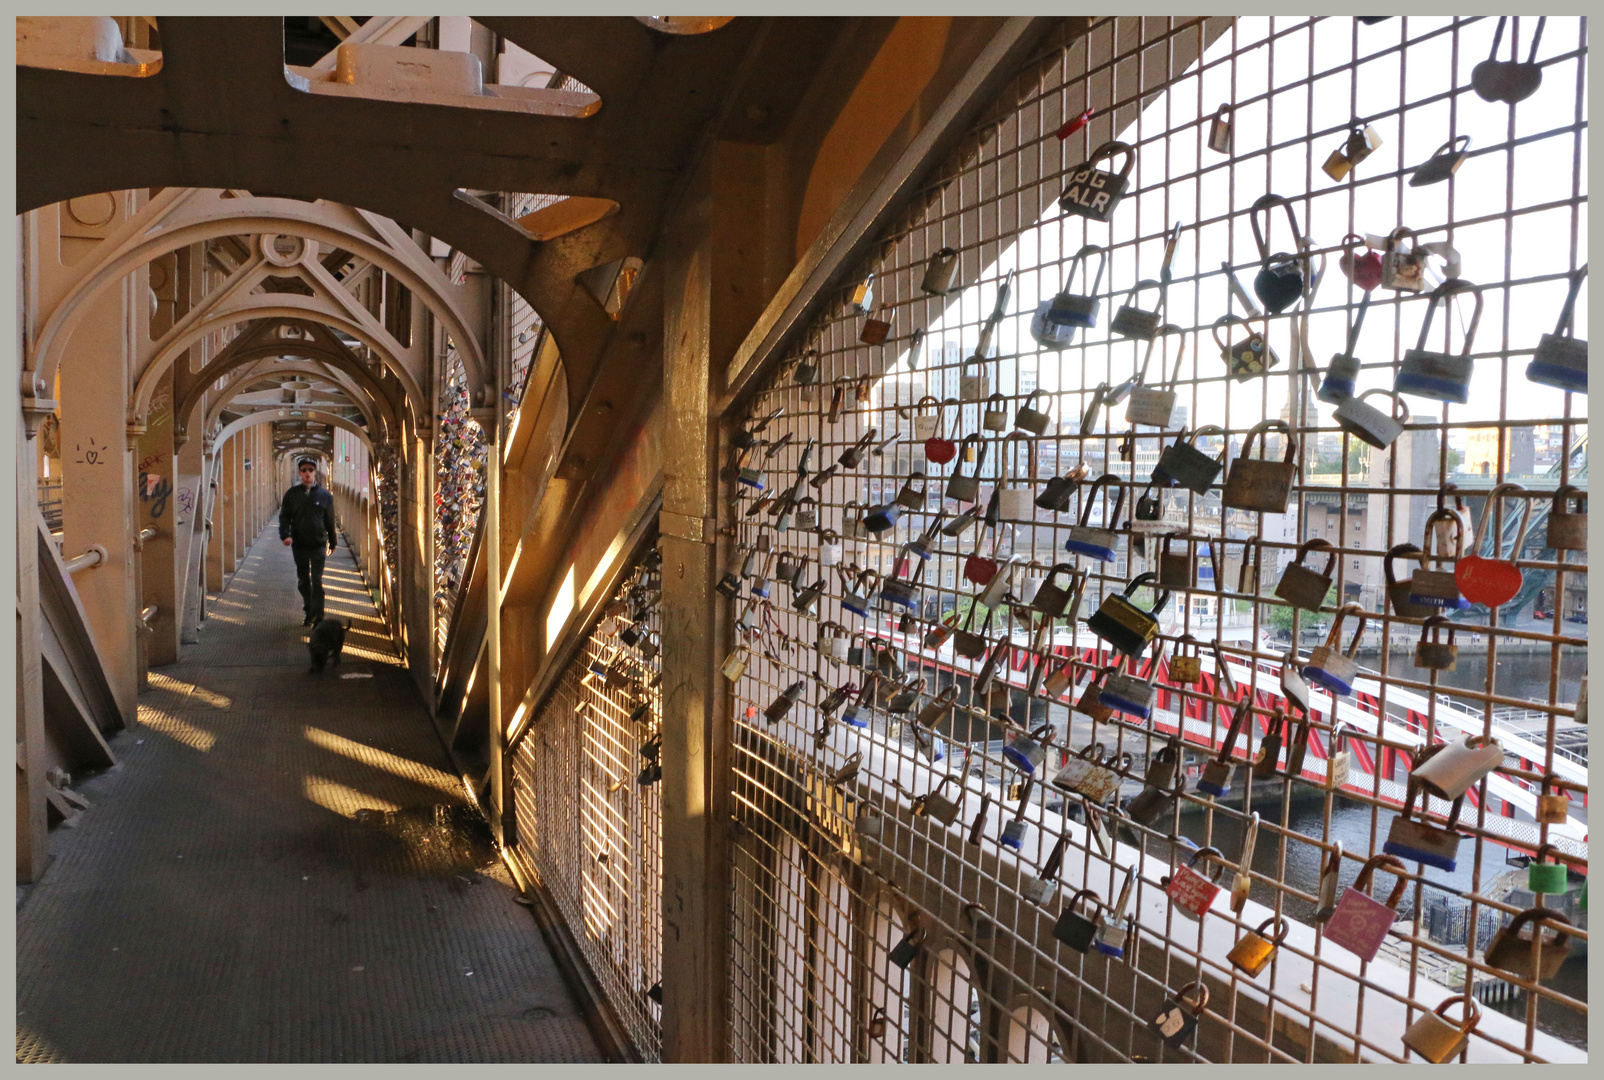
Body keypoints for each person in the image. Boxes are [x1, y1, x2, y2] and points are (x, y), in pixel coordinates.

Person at [280, 459, 338, 626]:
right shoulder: (292, 494)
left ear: (315, 472)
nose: (307, 473)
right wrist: (285, 535)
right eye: (304, 470)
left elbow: (329, 520)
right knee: (303, 580)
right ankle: (309, 609)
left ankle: (318, 615)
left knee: (317, 580)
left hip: (318, 543)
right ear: (300, 473)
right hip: (299, 543)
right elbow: (285, 517)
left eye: (310, 470)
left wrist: (332, 542)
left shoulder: (325, 496)